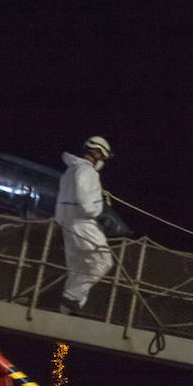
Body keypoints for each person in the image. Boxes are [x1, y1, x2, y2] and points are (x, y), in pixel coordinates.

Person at [55, 135, 114, 315]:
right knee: (103, 261)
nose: (102, 161)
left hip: (67, 223)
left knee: (78, 267)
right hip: (83, 222)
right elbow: (84, 200)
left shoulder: (70, 170)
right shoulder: (87, 171)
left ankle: (68, 310)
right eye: (103, 157)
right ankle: (71, 297)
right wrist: (99, 212)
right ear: (98, 153)